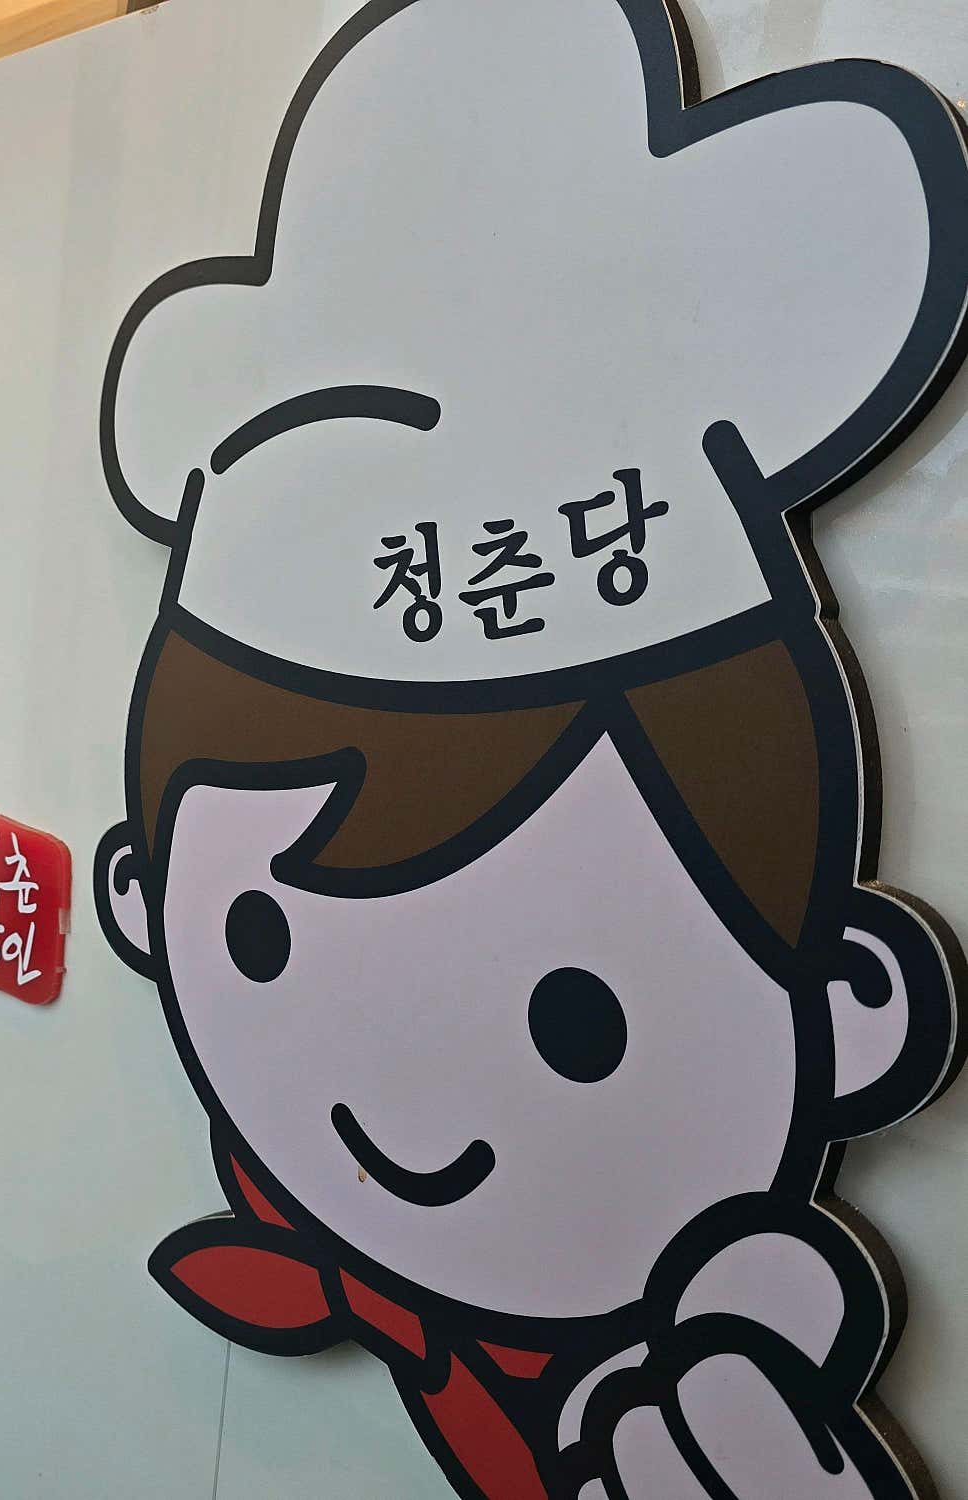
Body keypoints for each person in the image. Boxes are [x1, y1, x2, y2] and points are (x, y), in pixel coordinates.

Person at [94, 1, 968, 1494]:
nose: (403, 1116)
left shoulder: (713, 1409)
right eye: (257, 938)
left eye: (579, 1024)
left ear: (851, 1009)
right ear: (142, 902)